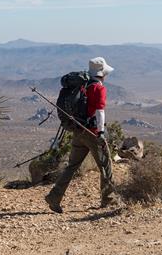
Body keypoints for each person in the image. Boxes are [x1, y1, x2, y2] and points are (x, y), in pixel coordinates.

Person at [45, 57, 119, 212]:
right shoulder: (98, 88)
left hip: (78, 131)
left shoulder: (82, 85)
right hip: (91, 133)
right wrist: (101, 132)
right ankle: (109, 200)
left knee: (72, 166)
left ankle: (54, 197)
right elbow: (100, 112)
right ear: (102, 73)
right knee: (105, 165)